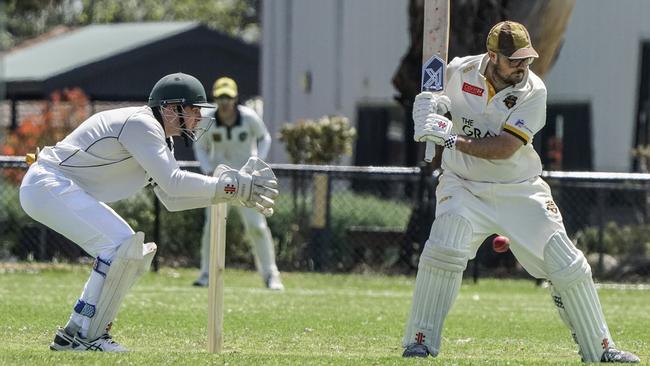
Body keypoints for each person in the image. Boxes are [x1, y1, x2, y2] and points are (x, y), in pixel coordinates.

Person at [402, 21, 640, 363]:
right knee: (445, 244)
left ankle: (601, 350)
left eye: (526, 58)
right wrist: (430, 108)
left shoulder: (533, 91)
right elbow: (435, 99)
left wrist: (449, 138)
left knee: (566, 262)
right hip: (464, 185)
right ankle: (420, 341)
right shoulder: (458, 71)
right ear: (492, 56)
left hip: (519, 188)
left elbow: (504, 148)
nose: (522, 66)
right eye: (513, 59)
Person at [19, 72, 279, 352]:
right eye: (192, 110)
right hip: (47, 184)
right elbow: (174, 183)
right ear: (170, 108)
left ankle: (77, 331)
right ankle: (86, 335)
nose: (199, 118)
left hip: (56, 188)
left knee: (131, 251)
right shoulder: (141, 125)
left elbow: (171, 199)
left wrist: (230, 196)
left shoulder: (158, 138)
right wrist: (231, 188)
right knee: (120, 246)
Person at [192, 77, 284, 290]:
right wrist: (207, 167)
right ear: (215, 98)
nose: (225, 102)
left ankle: (271, 275)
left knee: (257, 227)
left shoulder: (249, 118)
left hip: (247, 182)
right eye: (220, 97)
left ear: (235, 98)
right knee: (211, 228)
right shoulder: (207, 120)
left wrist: (256, 164)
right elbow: (200, 146)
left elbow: (265, 138)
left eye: (229, 97)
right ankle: (206, 273)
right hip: (218, 181)